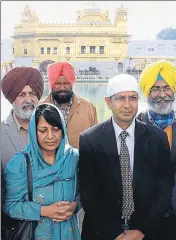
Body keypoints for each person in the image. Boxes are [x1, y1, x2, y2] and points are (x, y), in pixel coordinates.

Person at [78, 74, 173, 240]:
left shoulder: (157, 138)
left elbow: (164, 188)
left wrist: (142, 230)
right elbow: (89, 194)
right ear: (108, 102)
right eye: (121, 98)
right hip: (103, 232)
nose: (127, 105)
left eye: (133, 98)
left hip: (146, 232)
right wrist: (114, 233)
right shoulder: (90, 139)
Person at [3, 103, 81, 240]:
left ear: (63, 130)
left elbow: (84, 194)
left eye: (55, 129)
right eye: (43, 130)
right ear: (34, 132)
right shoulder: (20, 163)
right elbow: (10, 206)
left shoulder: (73, 158)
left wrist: (74, 206)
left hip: (69, 234)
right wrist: (44, 211)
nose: (50, 136)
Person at [138, 60, 176, 240]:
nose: (162, 94)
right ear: (147, 92)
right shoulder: (134, 126)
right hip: (143, 218)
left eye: (166, 88)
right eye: (155, 89)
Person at [41, 62, 98, 149]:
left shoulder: (88, 108)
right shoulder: (40, 109)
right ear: (52, 84)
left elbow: (96, 141)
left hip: (81, 161)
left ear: (71, 83)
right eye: (58, 84)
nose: (62, 88)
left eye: (66, 83)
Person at [1, 66, 44, 169]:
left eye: (32, 94)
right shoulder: (1, 132)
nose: (28, 100)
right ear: (12, 98)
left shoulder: (54, 127)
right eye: (22, 95)